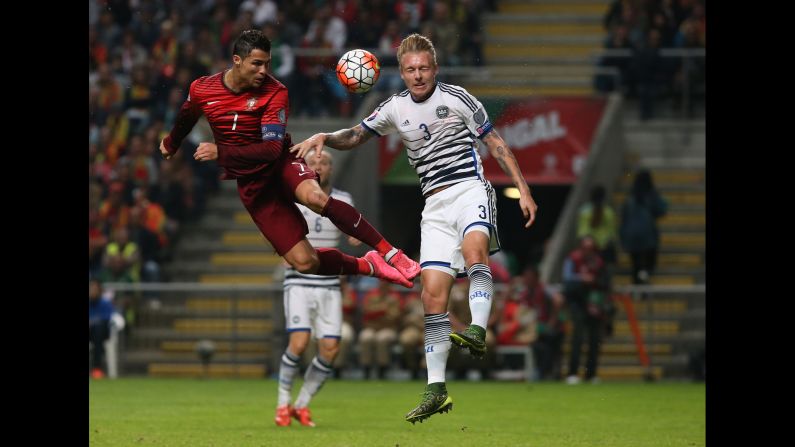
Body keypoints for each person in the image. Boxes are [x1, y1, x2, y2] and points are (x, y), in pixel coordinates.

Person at [291, 33, 538, 424]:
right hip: (434, 206)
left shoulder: (457, 99)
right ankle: (436, 389)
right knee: (431, 296)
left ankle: (476, 329)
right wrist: (325, 137)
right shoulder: (394, 108)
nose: (418, 75)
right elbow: (356, 135)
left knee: (475, 253)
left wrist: (523, 190)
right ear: (402, 73)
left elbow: (496, 143)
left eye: (424, 68)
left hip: (468, 189)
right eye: (410, 70)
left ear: (434, 69)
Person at [159, 29, 419, 291]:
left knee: (316, 198)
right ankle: (370, 265)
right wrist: (172, 142)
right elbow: (187, 115)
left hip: (282, 163)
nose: (264, 71)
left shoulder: (275, 92)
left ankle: (390, 253)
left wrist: (221, 152)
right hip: (253, 185)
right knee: (305, 262)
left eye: (267, 64)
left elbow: (271, 150)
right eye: (257, 64)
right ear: (237, 60)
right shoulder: (203, 88)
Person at [274, 149, 361, 427]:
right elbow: (274, 229)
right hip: (299, 280)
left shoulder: (343, 199)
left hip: (329, 281)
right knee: (299, 343)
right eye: (313, 162)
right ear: (305, 168)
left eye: (324, 162)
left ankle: (302, 404)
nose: (319, 165)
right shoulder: (292, 195)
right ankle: (281, 404)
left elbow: (352, 230)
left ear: (331, 169)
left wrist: (355, 234)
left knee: (331, 348)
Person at [562, 236, 609, 384]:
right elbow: (567, 281)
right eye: (585, 248)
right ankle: (573, 373)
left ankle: (591, 374)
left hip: (595, 304)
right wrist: (582, 279)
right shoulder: (572, 260)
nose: (588, 252)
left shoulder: (599, 262)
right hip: (578, 303)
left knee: (595, 339)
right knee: (578, 338)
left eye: (591, 249)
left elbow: (605, 283)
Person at [619, 169, 668, 284]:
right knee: (646, 264)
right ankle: (643, 282)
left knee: (636, 263)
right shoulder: (650, 195)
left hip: (631, 236)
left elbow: (623, 218)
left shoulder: (630, 198)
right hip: (648, 236)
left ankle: (637, 286)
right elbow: (660, 210)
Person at [89, 279, 116, 379]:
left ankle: (97, 369)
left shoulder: (105, 303)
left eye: (94, 289)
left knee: (98, 330)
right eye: (90, 289)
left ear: (100, 291)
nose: (92, 291)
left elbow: (107, 319)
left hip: (103, 333)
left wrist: (92, 322)